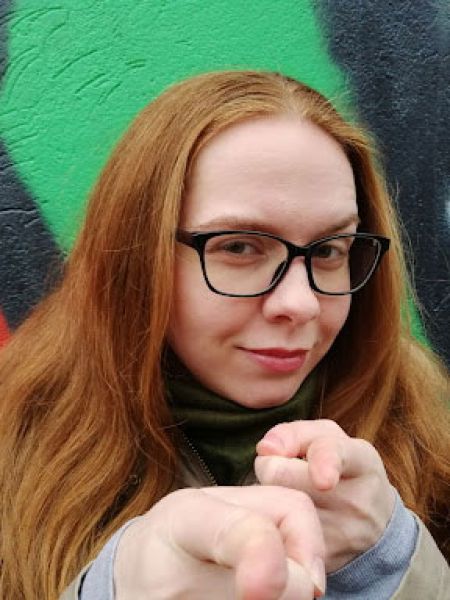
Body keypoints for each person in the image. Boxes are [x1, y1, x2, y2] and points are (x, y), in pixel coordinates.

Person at [0, 71, 448, 600]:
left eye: (329, 250)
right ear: (138, 256)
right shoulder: (15, 446)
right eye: (238, 247)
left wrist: (390, 563)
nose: (300, 304)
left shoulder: (429, 437)